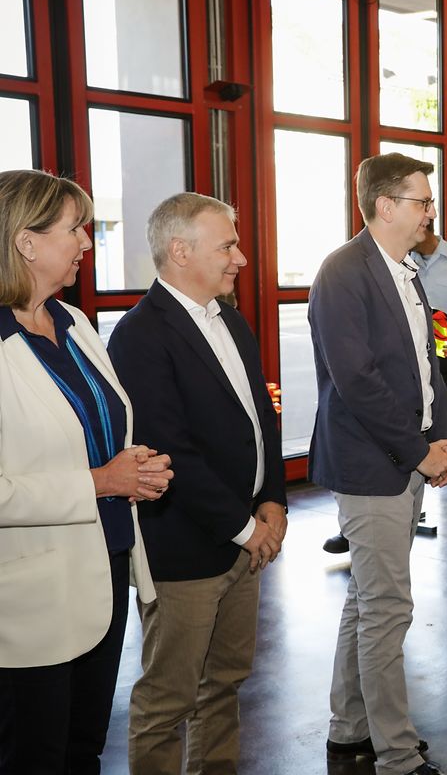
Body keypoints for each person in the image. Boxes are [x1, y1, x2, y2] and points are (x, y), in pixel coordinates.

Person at [108, 193, 286, 774]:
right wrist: (245, 529)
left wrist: (273, 501)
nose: (239, 257)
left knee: (225, 684)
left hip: (244, 538)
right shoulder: (140, 335)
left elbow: (262, 420)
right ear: (180, 251)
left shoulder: (229, 318)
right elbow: (170, 452)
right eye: (228, 244)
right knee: (169, 700)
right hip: (186, 548)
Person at [0, 170, 171, 774]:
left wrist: (136, 467)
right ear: (25, 242)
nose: (86, 243)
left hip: (105, 568)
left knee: (83, 750)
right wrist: (101, 481)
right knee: (33, 757)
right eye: (76, 229)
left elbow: (101, 429)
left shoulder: (75, 323)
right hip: (30, 597)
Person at [309, 153, 447, 775]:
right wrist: (419, 451)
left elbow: (428, 365)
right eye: (423, 200)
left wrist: (443, 442)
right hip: (373, 464)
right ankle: (395, 754)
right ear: (384, 206)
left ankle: (349, 728)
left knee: (368, 602)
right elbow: (357, 383)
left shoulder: (406, 270)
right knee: (388, 608)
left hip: (407, 456)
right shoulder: (343, 273)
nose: (431, 211)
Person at [324, 230, 447, 559]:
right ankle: (358, 528)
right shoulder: (398, 262)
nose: (427, 217)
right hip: (408, 369)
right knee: (388, 433)